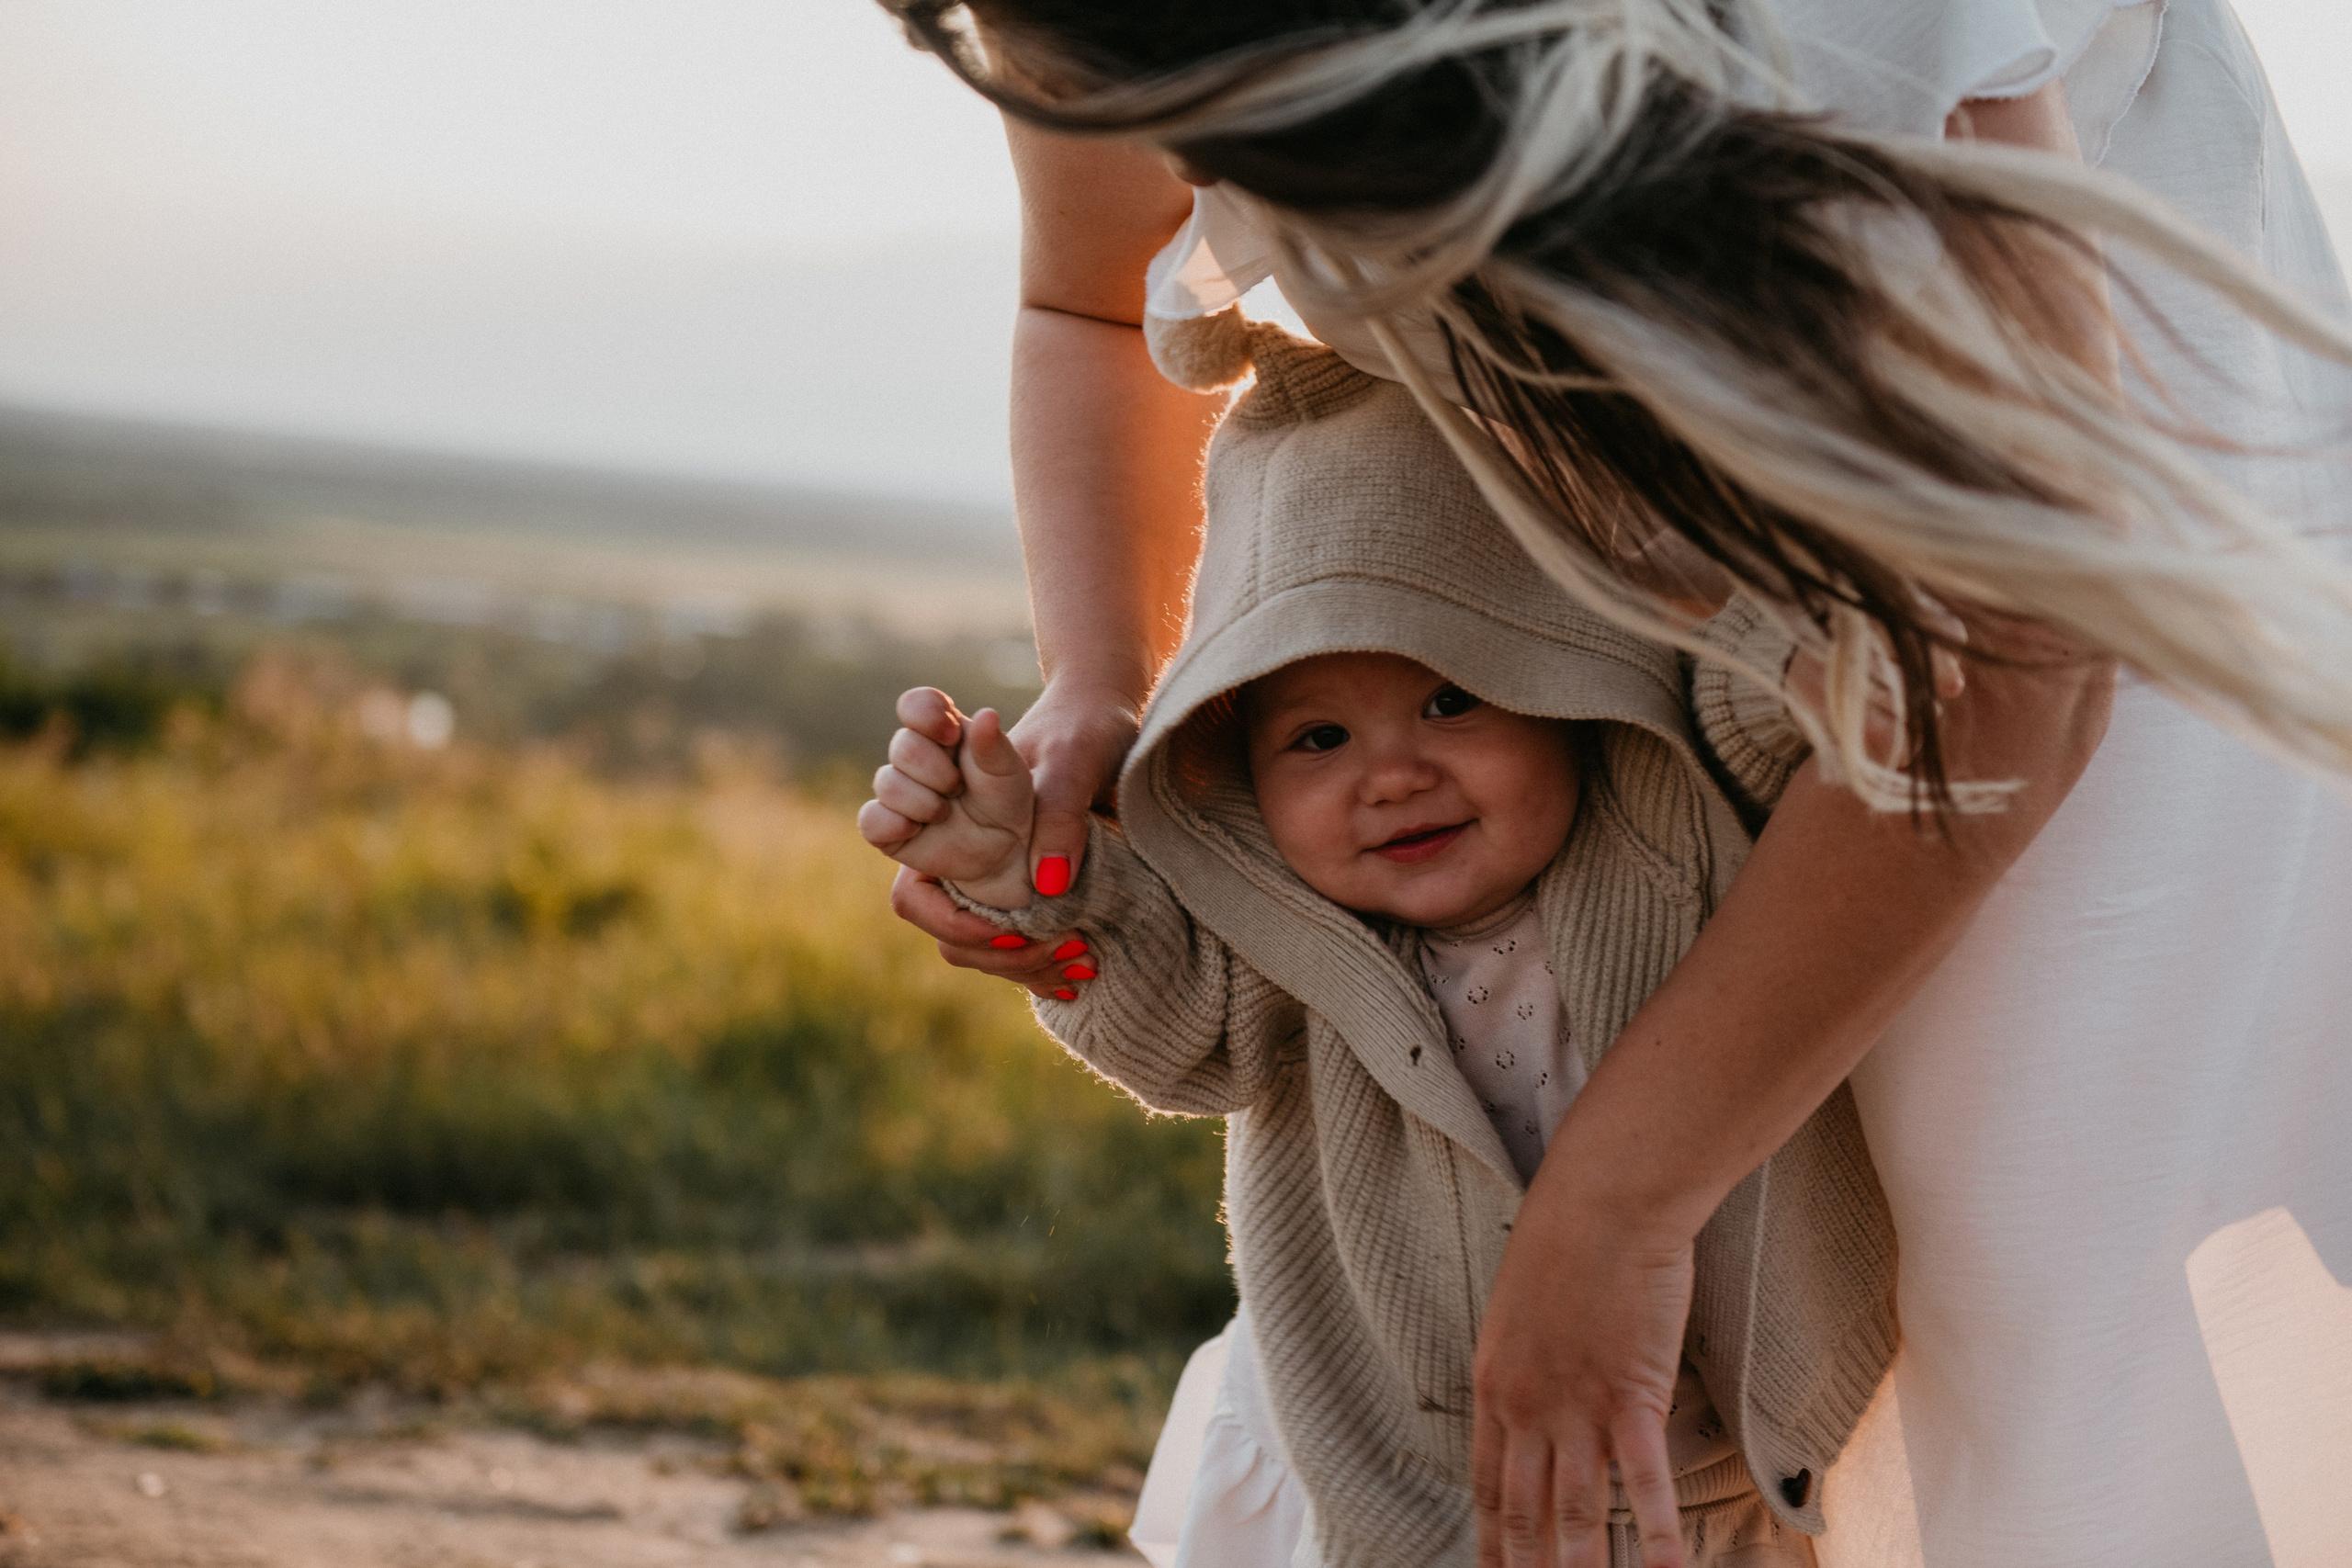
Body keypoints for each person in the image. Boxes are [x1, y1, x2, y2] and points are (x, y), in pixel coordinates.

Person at [877, 3, 2352, 1565]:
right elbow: (1095, 300)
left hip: (2061, 527)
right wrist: (1106, 682)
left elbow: (2012, 666)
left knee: (2033, 1278)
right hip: (1571, 574)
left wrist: (1618, 1207)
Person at [861, 327, 1896, 1568]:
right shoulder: (1283, 925)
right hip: (1408, 1507)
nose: (1393, 775)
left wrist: (1679, 532)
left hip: (1720, 1491)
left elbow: (1814, 669)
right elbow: (1163, 1018)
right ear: (1234, 769)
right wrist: (1011, 871)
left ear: (1566, 678)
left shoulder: (1677, 818)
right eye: (1316, 739)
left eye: (1452, 698)